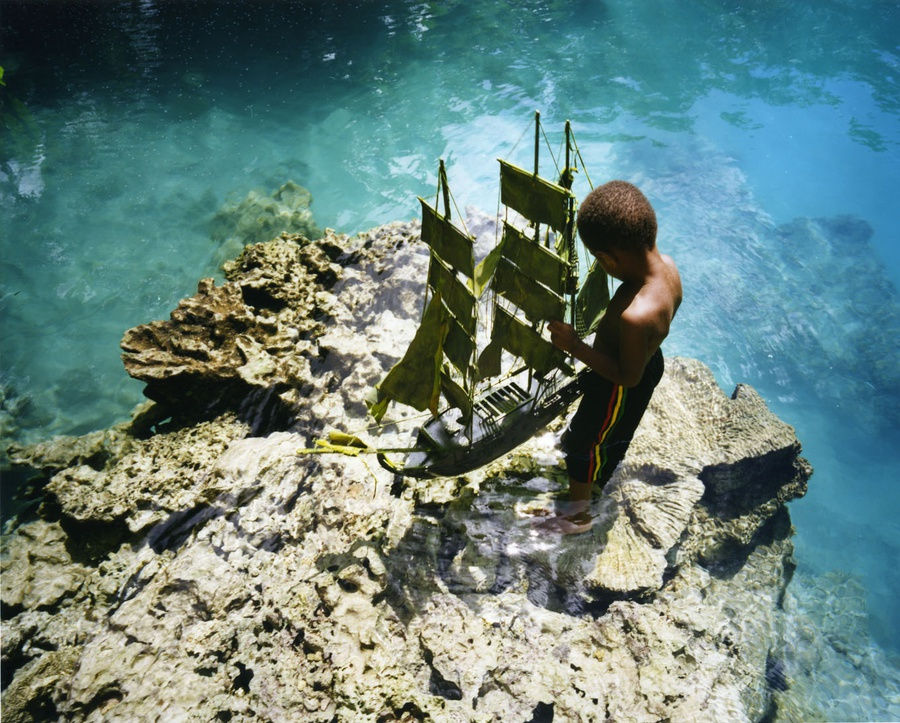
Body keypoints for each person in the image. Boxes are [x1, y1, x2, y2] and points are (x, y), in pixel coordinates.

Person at [544, 180, 682, 534]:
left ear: (607, 258)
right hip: (642, 360)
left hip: (621, 382)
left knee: (590, 445)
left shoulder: (637, 317)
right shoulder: (667, 266)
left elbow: (627, 377)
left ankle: (578, 516)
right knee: (592, 434)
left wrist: (575, 346)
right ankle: (584, 468)